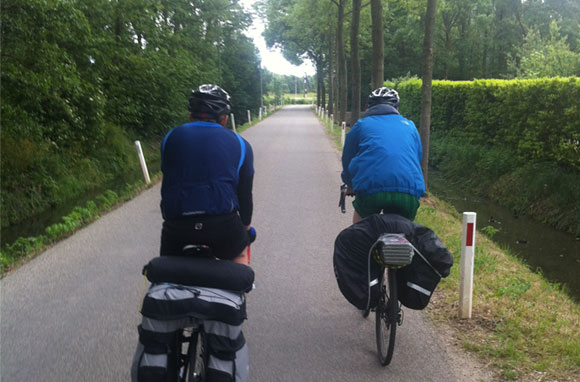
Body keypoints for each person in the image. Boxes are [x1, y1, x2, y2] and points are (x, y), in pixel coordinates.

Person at [159, 84, 254, 266]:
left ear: (190, 115)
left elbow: (169, 182)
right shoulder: (241, 144)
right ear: (224, 119)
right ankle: (236, 289)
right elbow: (244, 194)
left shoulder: (170, 138)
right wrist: (246, 228)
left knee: (166, 271)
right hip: (223, 226)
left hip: (177, 226)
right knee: (240, 258)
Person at [341, 87, 425, 224]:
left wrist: (350, 184)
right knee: (405, 231)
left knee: (360, 230)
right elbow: (417, 157)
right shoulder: (410, 126)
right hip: (408, 193)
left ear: (367, 107)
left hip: (371, 192)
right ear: (397, 108)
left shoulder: (361, 125)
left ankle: (359, 244)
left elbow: (347, 158)